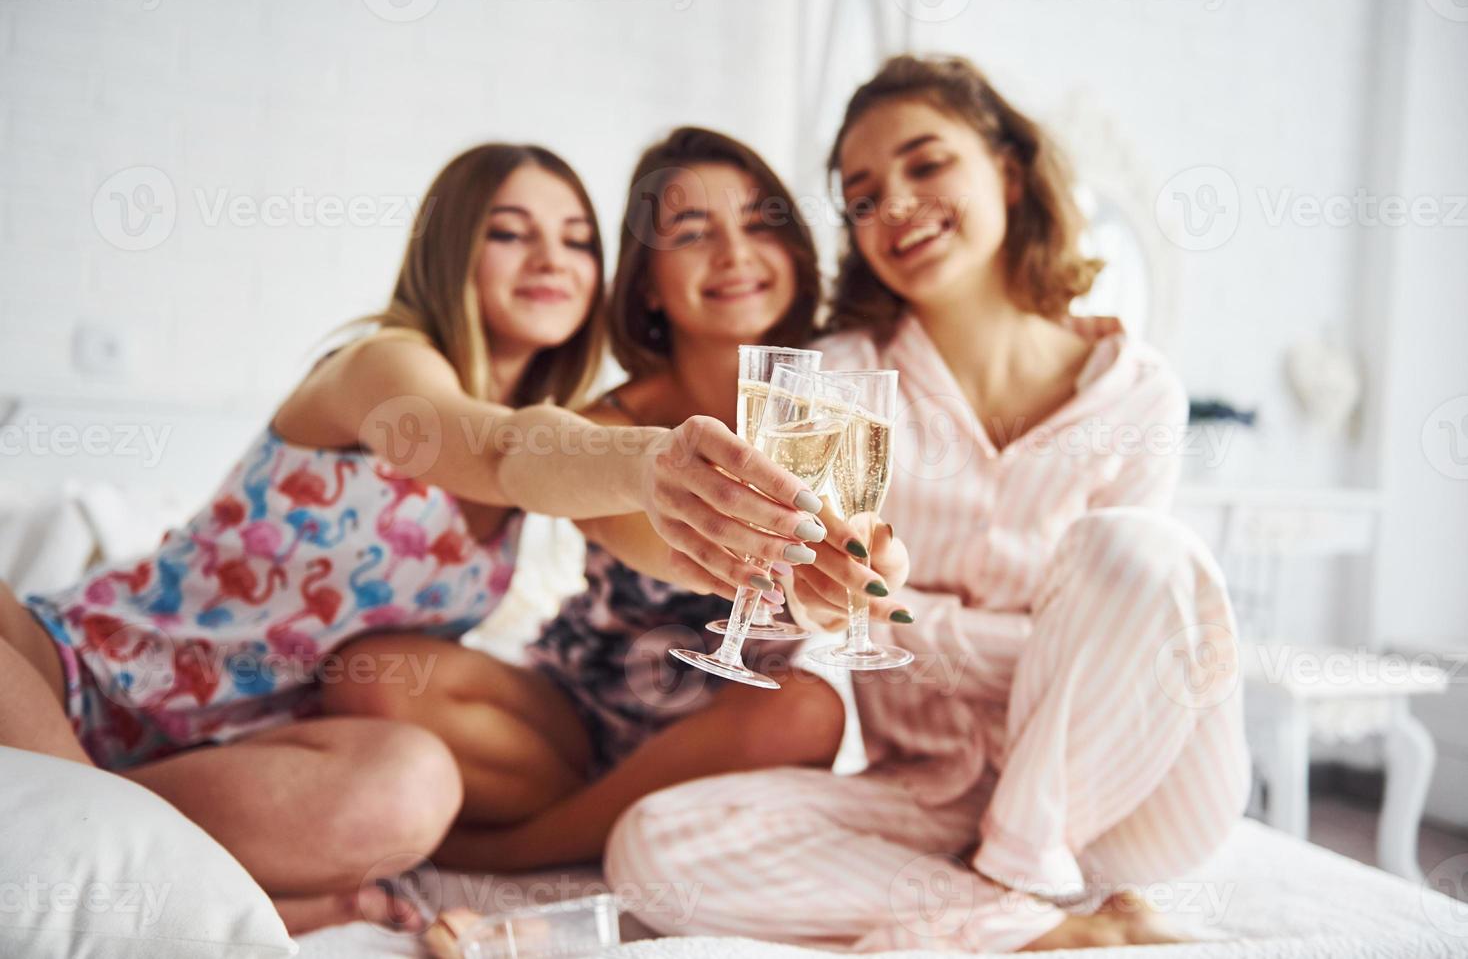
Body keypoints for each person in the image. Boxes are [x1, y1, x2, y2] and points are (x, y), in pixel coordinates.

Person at [0, 143, 831, 935]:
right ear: (449, 250)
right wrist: (652, 457)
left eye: (577, 241)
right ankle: (120, 837)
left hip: (232, 758)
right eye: (510, 232)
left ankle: (102, 819)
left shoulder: (561, 451)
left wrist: (742, 545)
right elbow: (497, 448)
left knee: (414, 784)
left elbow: (637, 534)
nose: (551, 259)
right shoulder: (382, 368)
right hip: (66, 671)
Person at [604, 55, 1250, 953]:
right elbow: (827, 609)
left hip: (1128, 797)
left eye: (926, 164)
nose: (895, 205)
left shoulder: (1140, 394)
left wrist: (924, 621)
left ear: (1008, 171)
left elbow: (1136, 633)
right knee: (651, 847)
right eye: (862, 195)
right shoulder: (834, 381)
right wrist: (1035, 640)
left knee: (1138, 549)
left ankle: (1012, 879)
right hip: (934, 792)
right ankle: (1032, 927)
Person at [328, 128, 915, 890]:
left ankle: (509, 849)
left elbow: (835, 570)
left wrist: (849, 580)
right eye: (694, 234)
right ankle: (607, 817)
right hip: (571, 716)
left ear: (797, 254)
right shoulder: (609, 427)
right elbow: (648, 533)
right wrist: (722, 533)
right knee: (369, 678)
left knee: (811, 712)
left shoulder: (834, 408)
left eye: (759, 224)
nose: (734, 254)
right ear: (645, 283)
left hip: (726, 725)